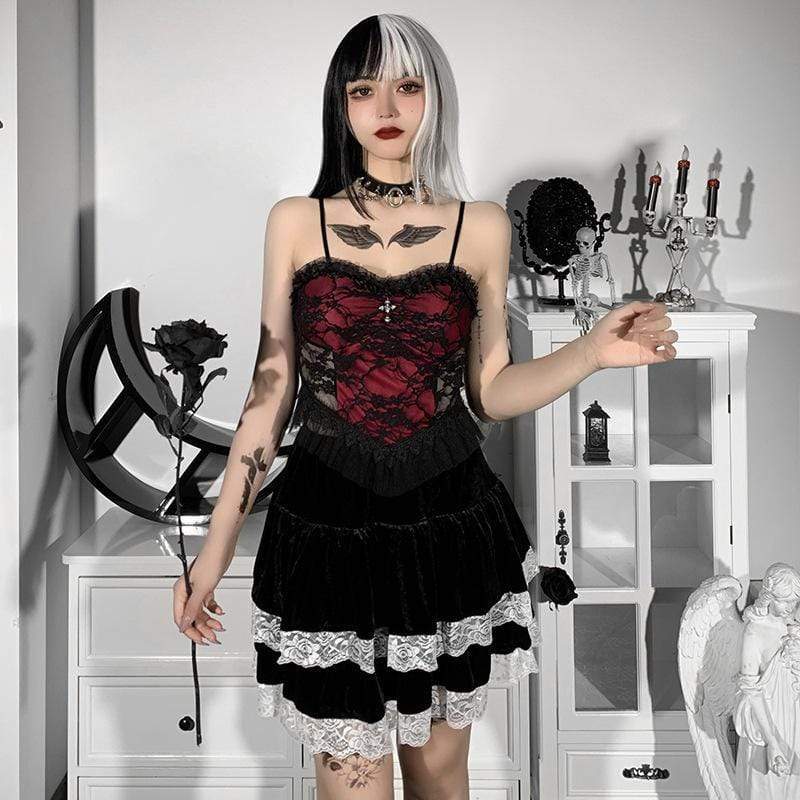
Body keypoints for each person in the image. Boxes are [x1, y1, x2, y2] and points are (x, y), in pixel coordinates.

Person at [172, 13, 677, 799]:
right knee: (352, 782)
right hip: (328, 531)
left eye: (406, 86)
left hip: (447, 525)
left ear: (433, 97)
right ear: (339, 103)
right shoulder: (296, 222)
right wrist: (213, 553)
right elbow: (270, 395)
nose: (386, 107)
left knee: (441, 779)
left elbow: (490, 392)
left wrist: (590, 354)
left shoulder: (480, 227)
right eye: (363, 89)